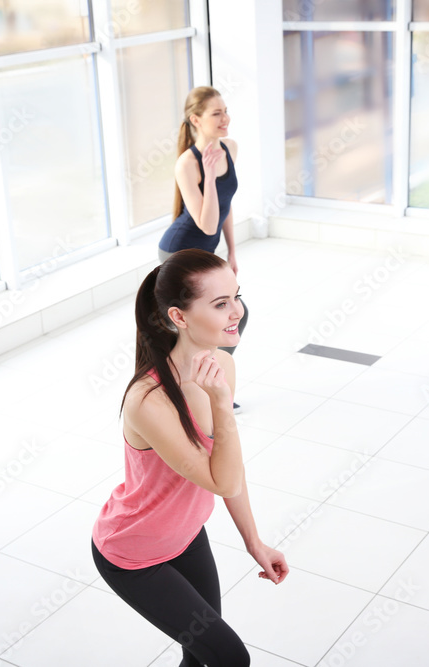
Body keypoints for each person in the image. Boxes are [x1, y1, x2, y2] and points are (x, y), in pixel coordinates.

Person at [92, 248, 288, 667]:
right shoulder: (148, 399)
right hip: (134, 554)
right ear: (179, 317)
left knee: (200, 658)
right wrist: (220, 403)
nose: (237, 311)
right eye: (220, 304)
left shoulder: (221, 366)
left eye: (237, 296)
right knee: (230, 658)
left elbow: (230, 467)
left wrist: (255, 543)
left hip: (184, 537)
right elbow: (222, 481)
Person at [158, 86, 248, 411]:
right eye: (216, 113)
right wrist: (208, 175)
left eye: (225, 110)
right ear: (196, 119)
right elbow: (206, 224)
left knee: (235, 315)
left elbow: (225, 206)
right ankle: (196, 392)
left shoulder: (231, 148)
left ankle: (212, 385)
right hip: (179, 252)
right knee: (196, 326)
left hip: (207, 254)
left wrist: (232, 252)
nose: (225, 118)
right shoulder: (188, 164)